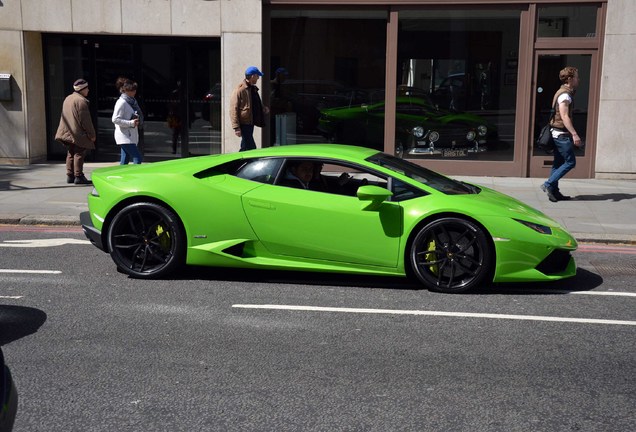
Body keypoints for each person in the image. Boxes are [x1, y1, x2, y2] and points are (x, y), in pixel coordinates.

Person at [540, 66, 582, 202]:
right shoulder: (564, 95)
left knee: (558, 163)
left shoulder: (564, 92)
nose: (578, 79)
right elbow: (564, 116)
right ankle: (548, 184)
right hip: (561, 134)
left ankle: (554, 192)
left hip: (558, 133)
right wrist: (574, 134)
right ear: (570, 79)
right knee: (570, 162)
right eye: (576, 77)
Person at [54, 78, 96, 185]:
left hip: (67, 131)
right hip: (77, 133)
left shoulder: (68, 98)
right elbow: (85, 120)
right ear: (82, 89)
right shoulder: (81, 101)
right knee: (79, 153)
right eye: (86, 88)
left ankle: (70, 175)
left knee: (71, 153)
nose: (88, 90)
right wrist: (92, 134)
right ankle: (79, 176)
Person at [230, 66, 269, 151]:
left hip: (250, 122)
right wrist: (236, 127)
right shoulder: (239, 90)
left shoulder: (253, 88)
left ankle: (238, 162)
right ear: (252, 76)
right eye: (257, 76)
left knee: (245, 147)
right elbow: (233, 109)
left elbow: (256, 102)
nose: (258, 78)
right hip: (244, 123)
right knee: (251, 147)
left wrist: (263, 108)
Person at [112, 79, 143, 164]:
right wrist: (131, 123)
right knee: (137, 158)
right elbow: (115, 119)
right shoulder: (121, 102)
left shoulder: (132, 102)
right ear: (126, 91)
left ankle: (121, 176)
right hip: (124, 135)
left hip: (129, 135)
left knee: (125, 158)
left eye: (135, 90)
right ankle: (135, 176)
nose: (134, 92)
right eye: (132, 90)